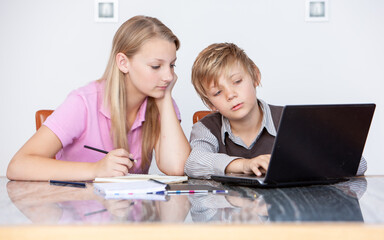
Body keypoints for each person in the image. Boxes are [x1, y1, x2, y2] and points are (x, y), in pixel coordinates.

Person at [7, 15, 190, 181]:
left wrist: (165, 98)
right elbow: (18, 166)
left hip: (129, 215)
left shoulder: (160, 101)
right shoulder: (83, 102)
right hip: (76, 212)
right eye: (156, 66)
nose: (169, 76)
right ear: (123, 63)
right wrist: (96, 169)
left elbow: (176, 168)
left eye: (172, 65)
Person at [184, 42, 367, 179]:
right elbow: (193, 163)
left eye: (237, 82)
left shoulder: (292, 121)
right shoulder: (206, 128)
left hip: (286, 215)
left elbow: (358, 164)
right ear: (211, 104)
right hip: (231, 218)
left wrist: (304, 156)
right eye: (218, 92)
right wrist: (244, 165)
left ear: (255, 76)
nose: (230, 95)